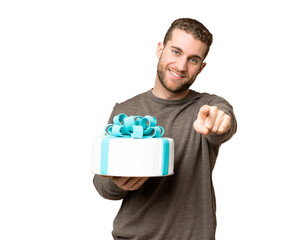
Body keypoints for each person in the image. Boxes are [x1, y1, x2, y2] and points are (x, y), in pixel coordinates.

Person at [93, 18, 237, 239]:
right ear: (160, 49)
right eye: (176, 52)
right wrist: (117, 183)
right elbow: (103, 185)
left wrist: (219, 124)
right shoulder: (125, 110)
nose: (181, 66)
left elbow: (223, 122)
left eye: (193, 59)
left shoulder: (208, 107)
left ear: (202, 67)